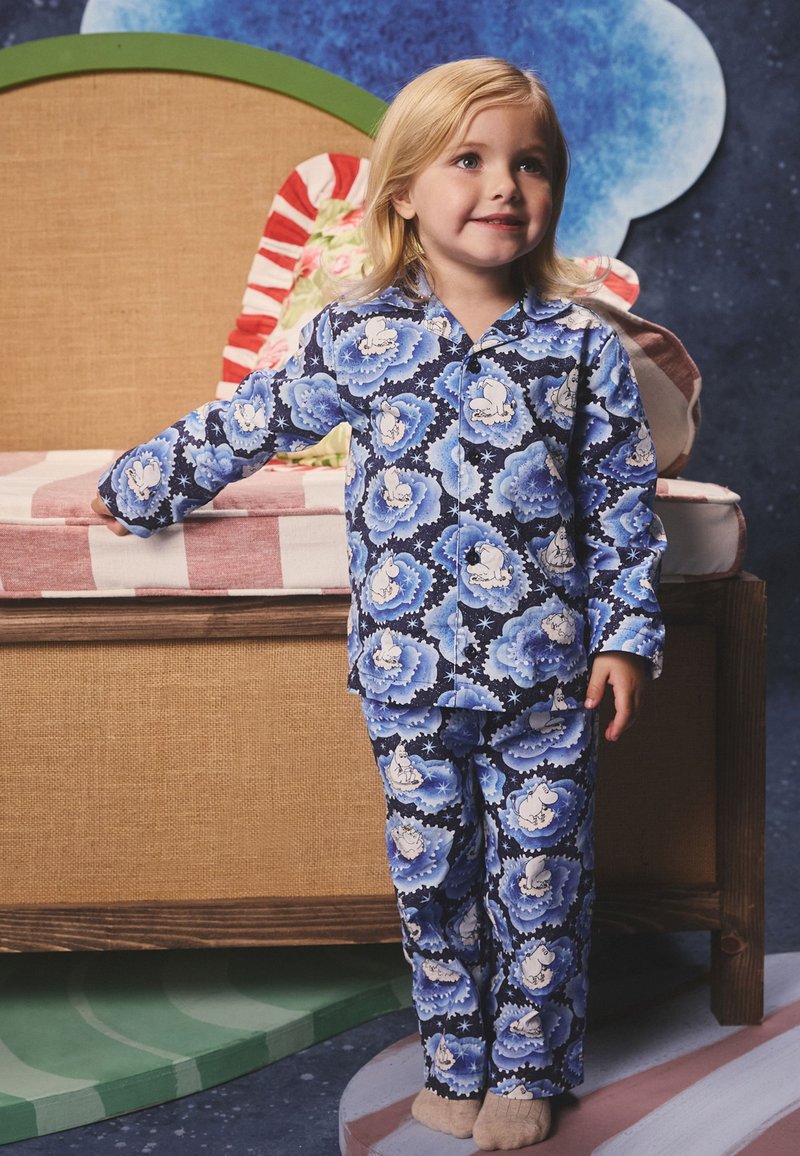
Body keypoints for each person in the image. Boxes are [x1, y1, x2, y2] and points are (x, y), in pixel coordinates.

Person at [93, 58, 666, 1150]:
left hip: (546, 676)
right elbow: (249, 422)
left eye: (530, 164)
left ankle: (525, 1069)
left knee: (539, 878)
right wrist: (138, 485)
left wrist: (626, 637)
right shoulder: (357, 337)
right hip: (409, 675)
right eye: (469, 160)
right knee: (432, 876)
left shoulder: (581, 346)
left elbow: (620, 504)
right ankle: (454, 1058)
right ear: (402, 189)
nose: (503, 186)